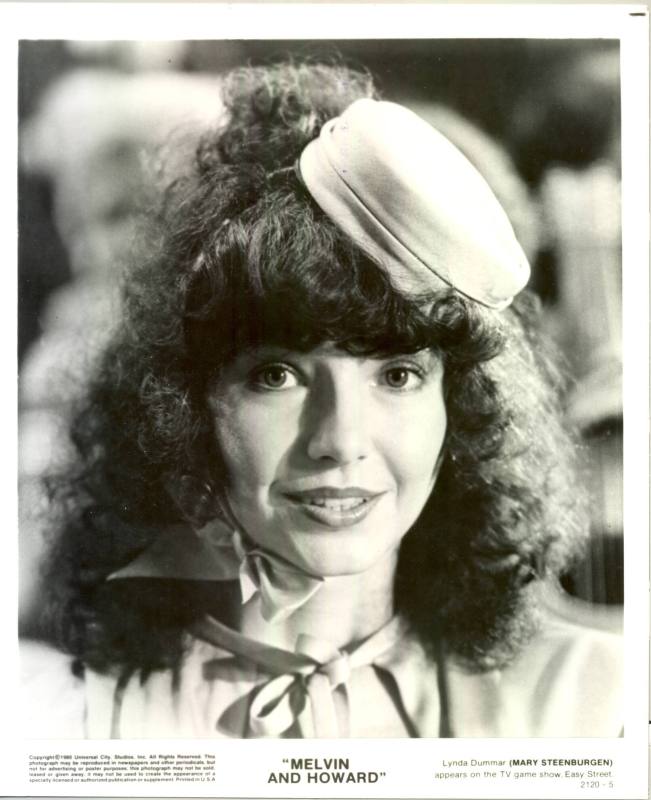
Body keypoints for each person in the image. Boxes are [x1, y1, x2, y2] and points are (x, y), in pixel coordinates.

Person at [21, 62, 622, 739]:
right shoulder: (66, 717)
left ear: (460, 415)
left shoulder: (592, 704)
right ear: (183, 412)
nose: (339, 439)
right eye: (276, 375)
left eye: (396, 376)